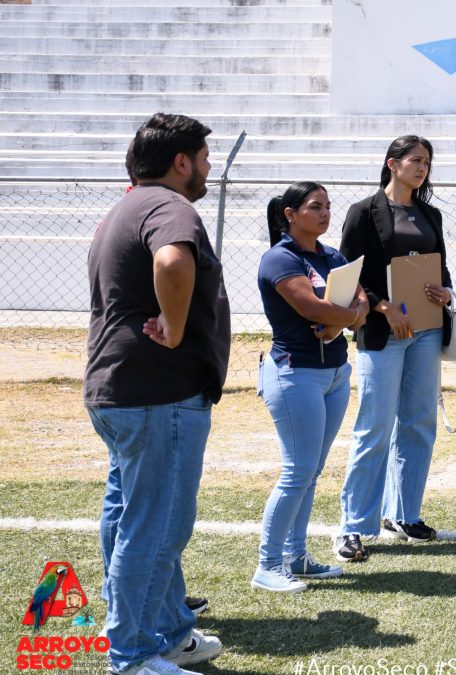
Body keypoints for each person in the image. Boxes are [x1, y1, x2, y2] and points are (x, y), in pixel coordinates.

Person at [86, 113, 229, 675]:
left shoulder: (124, 206)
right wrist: (173, 327)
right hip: (156, 395)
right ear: (181, 162)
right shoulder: (170, 207)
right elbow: (171, 259)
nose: (208, 169)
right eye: (204, 158)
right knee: (159, 525)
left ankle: (167, 632)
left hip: (121, 390)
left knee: (131, 514)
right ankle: (132, 652)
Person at [334, 135, 454, 561]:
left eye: (427, 162)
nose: (422, 168)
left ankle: (403, 514)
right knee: (375, 426)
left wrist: (445, 292)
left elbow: (441, 266)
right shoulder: (363, 212)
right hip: (384, 334)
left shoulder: (430, 213)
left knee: (420, 423)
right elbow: (349, 273)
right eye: (415, 161)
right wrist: (384, 306)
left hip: (424, 330)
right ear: (392, 164)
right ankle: (352, 527)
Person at [251, 182, 369, 592]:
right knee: (297, 471)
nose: (324, 213)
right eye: (315, 207)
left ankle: (296, 556)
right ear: (289, 213)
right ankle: (268, 565)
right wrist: (346, 316)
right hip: (294, 373)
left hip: (335, 373)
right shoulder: (279, 258)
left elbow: (362, 300)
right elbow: (308, 306)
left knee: (312, 471)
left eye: (328, 206)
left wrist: (342, 322)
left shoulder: (331, 256)